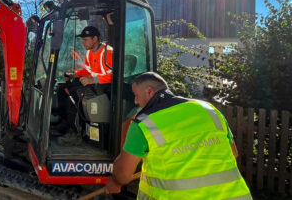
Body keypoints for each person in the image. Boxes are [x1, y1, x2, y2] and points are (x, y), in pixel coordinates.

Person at [104, 72, 251, 199]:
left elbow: (123, 174)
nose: (135, 101)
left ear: (149, 92)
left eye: (136, 95)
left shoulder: (144, 123)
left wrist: (115, 182)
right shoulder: (209, 110)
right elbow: (233, 153)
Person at [52, 26, 113, 136]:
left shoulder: (107, 52)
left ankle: (75, 128)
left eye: (85, 40)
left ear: (95, 39)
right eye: (82, 40)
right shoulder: (89, 52)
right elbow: (87, 70)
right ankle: (63, 121)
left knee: (75, 92)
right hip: (94, 83)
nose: (83, 43)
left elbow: (115, 76)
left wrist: (93, 80)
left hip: (105, 86)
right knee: (63, 88)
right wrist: (73, 75)